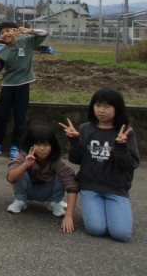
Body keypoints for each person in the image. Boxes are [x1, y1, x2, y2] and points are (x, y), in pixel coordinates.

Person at [60, 88, 140, 242]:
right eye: (97, 105)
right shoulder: (85, 129)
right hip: (90, 187)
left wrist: (121, 147)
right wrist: (75, 141)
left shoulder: (125, 133)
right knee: (96, 229)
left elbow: (130, 165)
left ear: (117, 108)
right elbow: (76, 159)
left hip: (116, 188)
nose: (101, 110)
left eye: (107, 106)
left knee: (121, 234)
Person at [0, 22, 48, 160]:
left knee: (20, 117)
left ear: (15, 31)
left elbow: (44, 33)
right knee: (2, 116)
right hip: (7, 85)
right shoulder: (3, 51)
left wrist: (29, 31)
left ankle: (15, 146)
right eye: (2, 33)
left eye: (8, 30)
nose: (5, 34)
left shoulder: (27, 42)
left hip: (23, 85)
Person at [6, 126, 77, 233]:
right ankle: (20, 200)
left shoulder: (56, 161)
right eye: (38, 145)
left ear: (52, 146)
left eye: (46, 145)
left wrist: (69, 215)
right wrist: (25, 165)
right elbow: (10, 178)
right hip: (28, 190)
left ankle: (55, 202)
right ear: (31, 145)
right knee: (19, 169)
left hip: (47, 192)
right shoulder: (23, 155)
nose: (42, 149)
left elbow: (71, 184)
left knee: (64, 174)